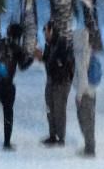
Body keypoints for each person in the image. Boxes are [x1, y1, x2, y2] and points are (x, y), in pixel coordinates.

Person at [0, 22, 33, 150]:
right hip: (7, 85)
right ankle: (7, 142)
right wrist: (31, 58)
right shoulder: (16, 48)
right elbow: (23, 66)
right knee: (8, 113)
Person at [35, 20, 74, 147]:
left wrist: (45, 58)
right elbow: (49, 60)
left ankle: (61, 138)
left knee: (59, 110)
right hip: (51, 80)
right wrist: (41, 57)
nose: (44, 34)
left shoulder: (61, 43)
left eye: (46, 31)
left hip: (61, 81)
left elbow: (60, 62)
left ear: (52, 31)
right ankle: (52, 135)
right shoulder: (49, 44)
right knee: (49, 109)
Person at [72, 27, 100, 157]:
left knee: (85, 120)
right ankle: (89, 147)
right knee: (90, 120)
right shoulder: (88, 51)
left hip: (84, 93)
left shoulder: (81, 54)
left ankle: (89, 150)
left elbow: (82, 75)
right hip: (92, 92)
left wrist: (79, 94)